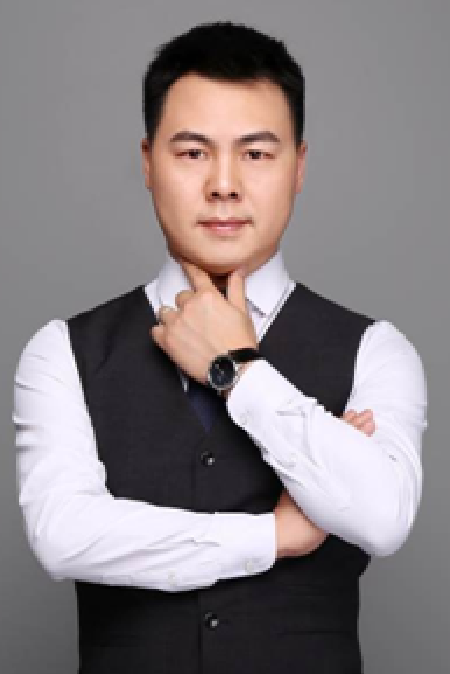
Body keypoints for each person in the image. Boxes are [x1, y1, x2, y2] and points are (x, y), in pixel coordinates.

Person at [13, 20, 427, 674]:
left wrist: (239, 370)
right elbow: (63, 536)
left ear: (299, 166)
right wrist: (273, 535)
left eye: (256, 154)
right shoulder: (62, 351)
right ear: (148, 163)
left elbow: (383, 517)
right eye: (193, 153)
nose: (224, 185)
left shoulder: (377, 350)